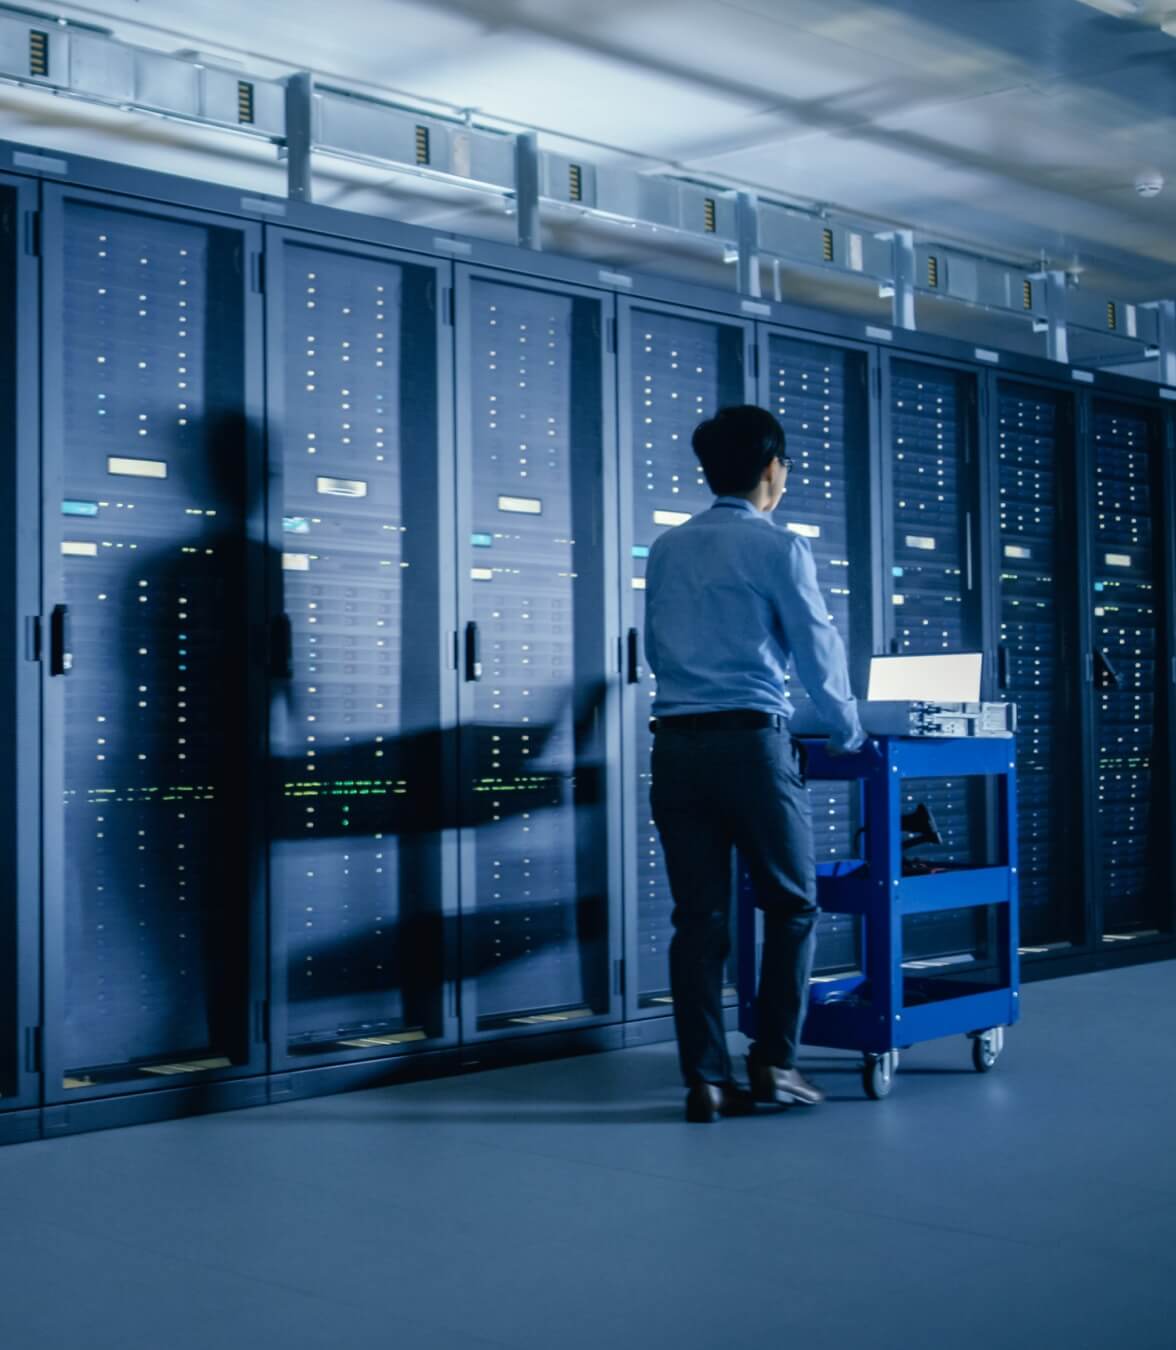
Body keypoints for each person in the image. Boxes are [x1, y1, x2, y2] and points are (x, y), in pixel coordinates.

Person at [645, 404, 866, 1124]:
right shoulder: (779, 547)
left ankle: (705, 1080)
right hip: (751, 744)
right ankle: (774, 1066)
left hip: (675, 746)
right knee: (793, 903)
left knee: (698, 918)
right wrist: (846, 727)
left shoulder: (669, 548)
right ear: (773, 468)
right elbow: (816, 645)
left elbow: (656, 649)